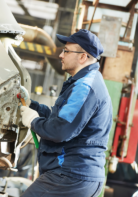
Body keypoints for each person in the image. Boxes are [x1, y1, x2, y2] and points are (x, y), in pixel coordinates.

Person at [20, 29, 112, 197]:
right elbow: (60, 120)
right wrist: (31, 106)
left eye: (66, 51)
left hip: (71, 175)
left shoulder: (85, 87)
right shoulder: (84, 82)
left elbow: (60, 131)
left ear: (83, 56)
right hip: (78, 176)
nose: (61, 55)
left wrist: (33, 121)